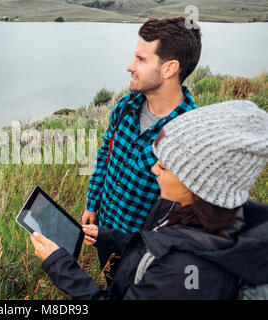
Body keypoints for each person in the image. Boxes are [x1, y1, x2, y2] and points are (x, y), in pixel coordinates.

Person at [31, 100, 268, 299]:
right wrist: (107, 236)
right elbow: (156, 244)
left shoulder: (185, 273)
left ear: (198, 184)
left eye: (164, 166)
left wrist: (59, 265)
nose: (154, 169)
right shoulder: (182, 207)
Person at [82, 17, 202, 270]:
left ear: (169, 68)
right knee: (110, 285)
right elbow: (106, 155)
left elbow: (184, 216)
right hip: (104, 229)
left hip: (143, 252)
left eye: (141, 59)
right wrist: (93, 203)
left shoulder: (190, 134)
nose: (130, 67)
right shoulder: (126, 106)